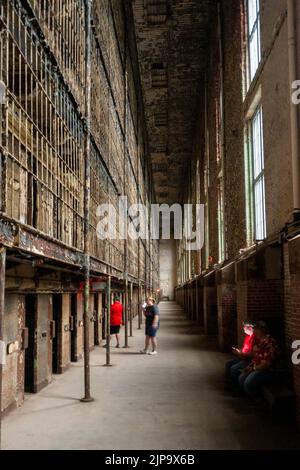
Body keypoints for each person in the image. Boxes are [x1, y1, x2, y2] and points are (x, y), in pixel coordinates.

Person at [238, 321, 280, 398]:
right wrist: (250, 367)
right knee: (241, 377)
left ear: (262, 330)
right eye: (254, 329)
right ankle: (250, 398)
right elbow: (256, 357)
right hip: (258, 367)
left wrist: (253, 368)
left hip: (268, 371)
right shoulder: (259, 341)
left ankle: (258, 401)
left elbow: (267, 364)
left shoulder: (270, 343)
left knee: (248, 383)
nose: (254, 332)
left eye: (256, 329)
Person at [225, 320, 256, 390]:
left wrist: (241, 353)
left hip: (248, 360)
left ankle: (236, 388)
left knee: (233, 368)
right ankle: (229, 384)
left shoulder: (254, 338)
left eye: (245, 326)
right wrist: (239, 350)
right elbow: (245, 348)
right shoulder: (248, 336)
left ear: (250, 327)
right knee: (228, 364)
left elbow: (252, 354)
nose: (243, 328)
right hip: (243, 357)